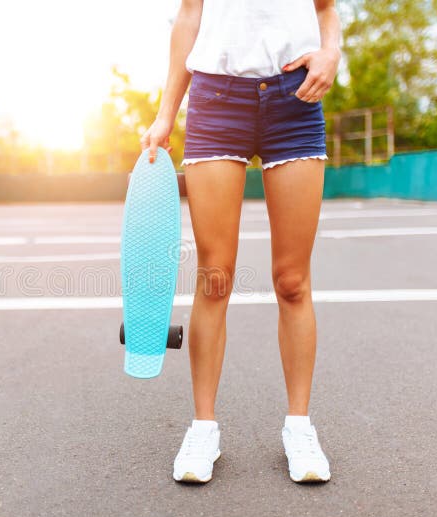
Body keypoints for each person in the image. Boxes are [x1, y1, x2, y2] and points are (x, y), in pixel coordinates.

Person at [140, 0, 342, 483]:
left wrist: (330, 53)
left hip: (297, 97)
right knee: (215, 277)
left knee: (292, 281)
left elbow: (327, 8)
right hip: (215, 99)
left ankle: (299, 427)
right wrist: (165, 114)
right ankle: (203, 427)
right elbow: (189, 17)